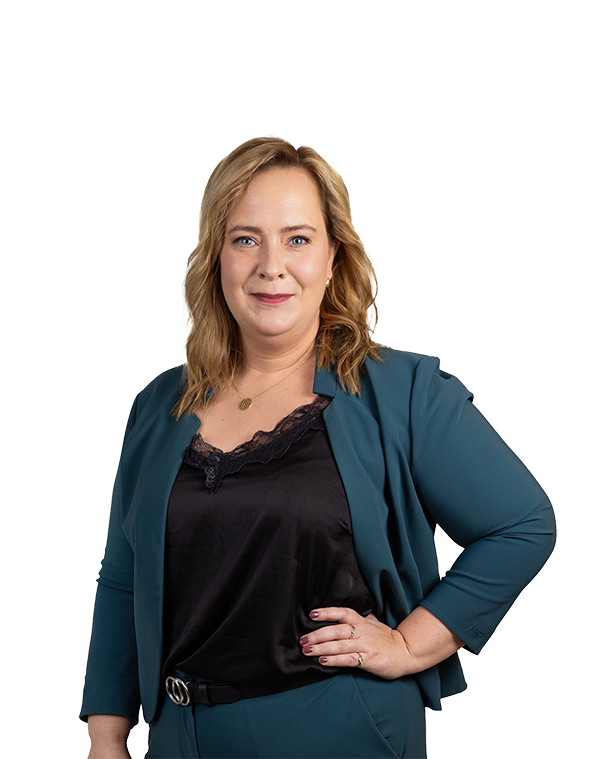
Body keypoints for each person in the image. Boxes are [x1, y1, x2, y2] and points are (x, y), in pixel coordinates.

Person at [79, 136, 557, 759]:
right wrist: (106, 734)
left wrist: (410, 644)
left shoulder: (402, 392)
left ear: (334, 256)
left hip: (337, 726)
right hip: (180, 736)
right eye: (244, 239)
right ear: (216, 257)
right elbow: (124, 577)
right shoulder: (159, 405)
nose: (270, 265)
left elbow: (521, 525)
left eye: (298, 239)